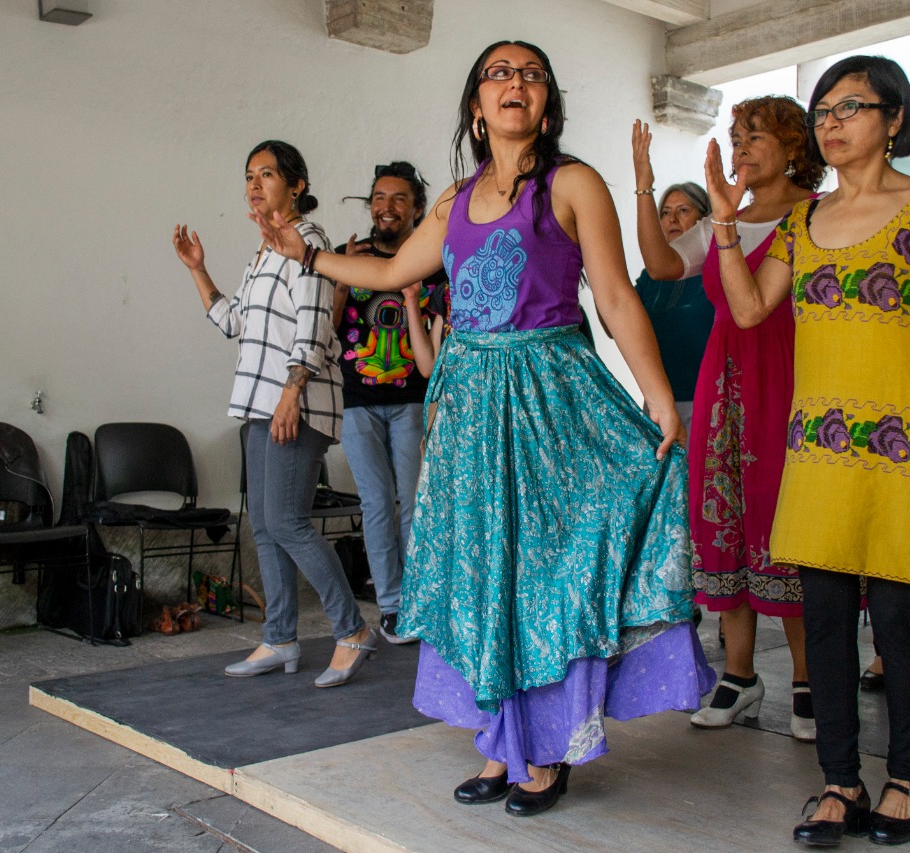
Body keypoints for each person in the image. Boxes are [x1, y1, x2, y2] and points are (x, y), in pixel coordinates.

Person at [253, 40, 713, 818]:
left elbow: (615, 296)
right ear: (476, 104)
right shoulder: (454, 202)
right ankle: (503, 742)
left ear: (547, 104)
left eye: (531, 74)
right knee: (483, 575)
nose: (515, 83)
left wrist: (660, 396)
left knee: (541, 577)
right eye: (498, 73)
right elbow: (394, 273)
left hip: (549, 400)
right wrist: (313, 256)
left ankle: (546, 747)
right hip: (469, 407)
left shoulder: (574, 183)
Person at [703, 56, 910, 847]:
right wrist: (720, 218)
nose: (833, 122)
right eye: (824, 111)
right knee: (826, 614)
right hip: (820, 449)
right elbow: (746, 311)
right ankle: (839, 781)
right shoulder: (798, 224)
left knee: (898, 616)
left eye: (852, 106)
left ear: (895, 120)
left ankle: (908, 777)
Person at [632, 97, 823, 743]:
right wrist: (643, 182)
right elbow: (661, 264)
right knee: (726, 524)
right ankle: (739, 676)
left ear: (794, 145)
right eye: (736, 136)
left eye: (756, 136)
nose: (740, 147)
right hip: (724, 386)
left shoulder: (817, 216)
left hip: (793, 384)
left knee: (789, 529)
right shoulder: (724, 219)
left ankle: (809, 679)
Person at [172, 140, 377, 687]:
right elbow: (234, 320)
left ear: (297, 186)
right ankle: (280, 637)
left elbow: (314, 324)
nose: (255, 184)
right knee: (264, 525)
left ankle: (352, 629)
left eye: (267, 173)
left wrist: (292, 392)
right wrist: (198, 269)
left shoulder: (308, 242)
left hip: (295, 401)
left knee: (287, 521)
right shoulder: (264, 251)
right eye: (249, 176)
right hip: (261, 403)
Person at [332, 162, 449, 644]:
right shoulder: (348, 256)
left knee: (414, 505)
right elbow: (326, 326)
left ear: (417, 208)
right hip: (358, 400)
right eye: (379, 197)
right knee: (376, 503)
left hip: (413, 401)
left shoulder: (432, 260)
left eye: (399, 198)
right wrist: (341, 280)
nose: (386, 207)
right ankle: (393, 605)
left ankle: (422, 599)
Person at [632, 181, 713, 432]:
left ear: (705, 219)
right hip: (659, 403)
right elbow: (619, 325)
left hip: (707, 402)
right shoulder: (651, 276)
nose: (672, 220)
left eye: (683, 211)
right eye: (665, 213)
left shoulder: (716, 271)